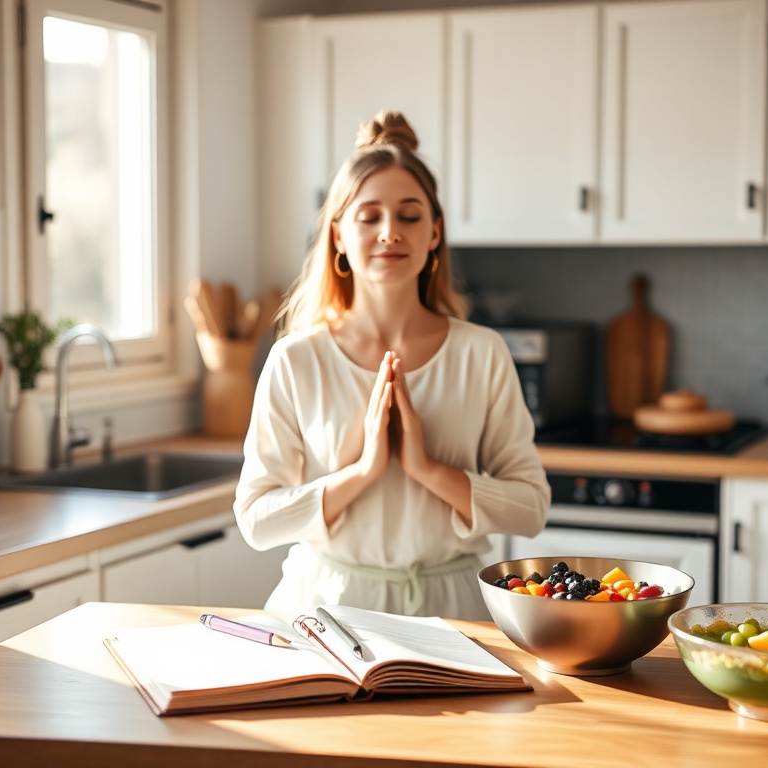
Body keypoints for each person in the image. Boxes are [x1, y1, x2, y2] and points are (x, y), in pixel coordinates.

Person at [233, 111, 550, 621]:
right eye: (369, 216)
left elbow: (531, 507)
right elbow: (256, 519)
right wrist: (364, 472)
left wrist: (427, 469)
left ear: (434, 233)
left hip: (455, 612)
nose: (389, 233)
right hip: (326, 612)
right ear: (338, 235)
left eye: (409, 216)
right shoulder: (296, 359)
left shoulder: (481, 353)